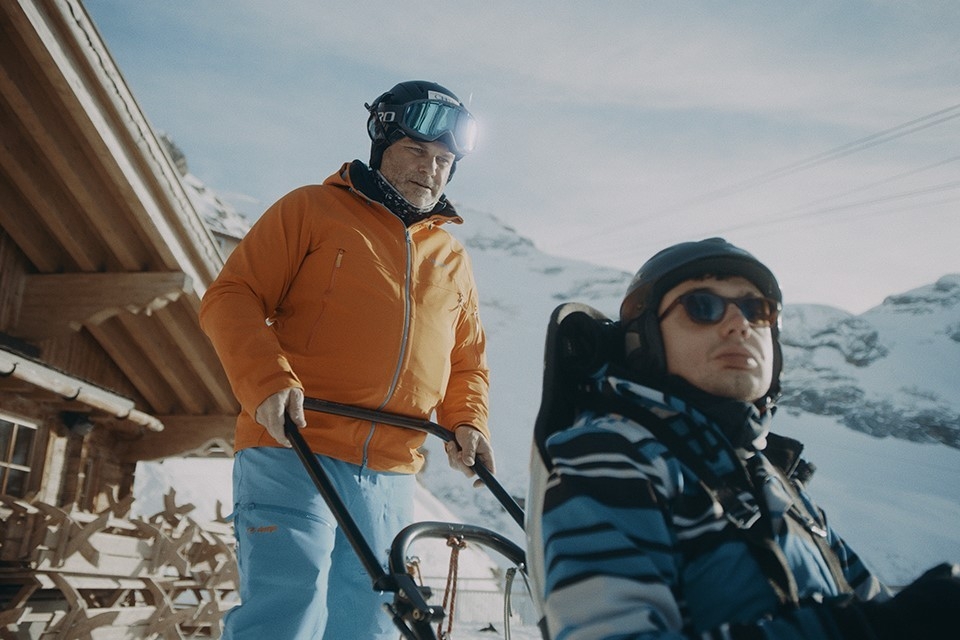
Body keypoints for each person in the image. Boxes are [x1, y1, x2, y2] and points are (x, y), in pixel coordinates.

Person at [530, 237, 960, 638]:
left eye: (758, 310)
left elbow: (872, 606)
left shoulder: (776, 480)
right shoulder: (613, 454)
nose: (739, 323)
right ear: (643, 340)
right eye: (702, 306)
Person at [199, 80, 494, 639]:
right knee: (289, 606)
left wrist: (468, 422)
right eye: (415, 151)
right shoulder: (311, 209)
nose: (430, 170)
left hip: (391, 466)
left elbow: (466, 362)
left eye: (443, 160)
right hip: (295, 445)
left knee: (371, 620)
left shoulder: (452, 258)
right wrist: (265, 381)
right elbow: (232, 296)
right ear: (382, 143)